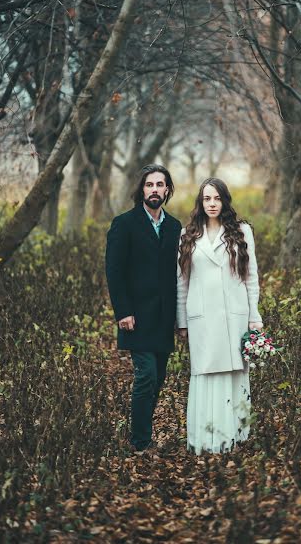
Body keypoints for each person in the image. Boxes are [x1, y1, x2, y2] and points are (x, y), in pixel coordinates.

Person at [177, 177, 263, 454]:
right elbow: (181, 282)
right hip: (201, 318)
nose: (212, 204)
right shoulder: (187, 234)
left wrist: (254, 316)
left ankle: (235, 437)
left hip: (234, 317)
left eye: (217, 198)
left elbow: (252, 278)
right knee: (205, 374)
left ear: (225, 200)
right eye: (207, 199)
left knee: (233, 374)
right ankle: (204, 440)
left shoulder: (242, 231)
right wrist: (181, 322)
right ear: (200, 203)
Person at [106, 165, 182, 452]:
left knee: (159, 378)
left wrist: (181, 317)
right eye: (149, 184)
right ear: (141, 190)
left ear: (167, 190)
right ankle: (140, 442)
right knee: (146, 374)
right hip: (135, 317)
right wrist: (123, 311)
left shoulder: (175, 226)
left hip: (163, 318)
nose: (154, 189)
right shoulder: (123, 223)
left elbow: (179, 274)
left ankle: (142, 431)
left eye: (160, 185)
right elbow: (114, 271)